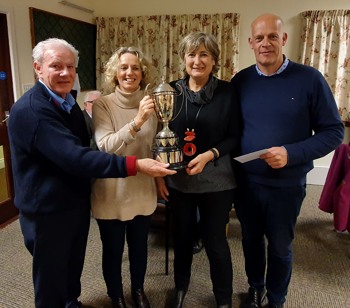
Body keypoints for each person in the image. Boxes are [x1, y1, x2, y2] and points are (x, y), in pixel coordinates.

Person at [7, 38, 175, 308]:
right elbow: (79, 156)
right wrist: (136, 164)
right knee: (51, 281)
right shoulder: (33, 111)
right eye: (56, 66)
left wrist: (159, 171)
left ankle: (73, 302)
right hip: (47, 211)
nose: (65, 73)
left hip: (74, 202)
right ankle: (109, 296)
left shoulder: (67, 102)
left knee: (72, 269)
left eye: (70, 67)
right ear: (38, 68)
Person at [230, 14, 344, 308]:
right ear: (250, 43)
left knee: (280, 247)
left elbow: (333, 132)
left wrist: (292, 153)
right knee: (251, 241)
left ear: (284, 39)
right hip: (246, 184)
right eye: (259, 38)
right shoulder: (240, 81)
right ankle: (256, 288)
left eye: (272, 36)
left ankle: (277, 298)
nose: (265, 43)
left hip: (287, 186)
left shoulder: (310, 79)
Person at [157, 32, 240, 308]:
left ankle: (224, 299)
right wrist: (159, 175)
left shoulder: (228, 92)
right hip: (180, 180)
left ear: (214, 60)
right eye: (191, 54)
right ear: (183, 58)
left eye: (204, 54)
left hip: (217, 178)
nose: (197, 60)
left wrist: (209, 155)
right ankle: (181, 288)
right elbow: (159, 137)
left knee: (215, 241)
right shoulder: (170, 91)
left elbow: (235, 136)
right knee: (182, 237)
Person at [90, 47, 158, 308]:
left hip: (142, 189)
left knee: (140, 247)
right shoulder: (102, 104)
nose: (130, 72)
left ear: (143, 73)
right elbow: (106, 146)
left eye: (135, 67)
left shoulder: (153, 101)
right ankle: (116, 296)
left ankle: (138, 291)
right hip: (111, 193)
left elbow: (154, 146)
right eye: (123, 67)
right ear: (115, 74)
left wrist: (161, 178)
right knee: (113, 250)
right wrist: (138, 119)